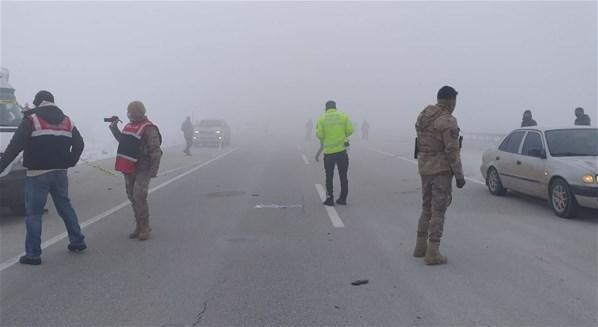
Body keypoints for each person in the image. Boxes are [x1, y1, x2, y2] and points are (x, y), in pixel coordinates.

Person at [0, 90, 86, 265]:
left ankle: (33, 254)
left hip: (37, 174)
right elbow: (79, 144)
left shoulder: (32, 119)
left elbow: (15, 145)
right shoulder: (67, 121)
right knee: (65, 207)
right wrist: (69, 161)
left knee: (34, 214)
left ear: (38, 102)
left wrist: (1, 166)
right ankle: (77, 241)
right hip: (60, 173)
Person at [413, 86, 465, 265]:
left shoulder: (423, 116)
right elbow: (452, 151)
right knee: (438, 210)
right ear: (450, 101)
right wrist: (459, 175)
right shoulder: (447, 121)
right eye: (455, 101)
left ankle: (420, 247)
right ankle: (432, 252)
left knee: (426, 207)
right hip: (441, 171)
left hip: (424, 168)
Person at [110, 101, 162, 241]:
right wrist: (114, 128)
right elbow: (123, 141)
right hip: (129, 168)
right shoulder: (129, 126)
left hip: (143, 168)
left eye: (132, 111)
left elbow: (155, 151)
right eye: (129, 111)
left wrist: (153, 169)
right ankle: (139, 226)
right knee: (132, 197)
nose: (130, 114)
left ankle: (145, 227)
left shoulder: (149, 128)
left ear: (139, 112)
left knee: (139, 196)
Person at [316, 100, 353, 206]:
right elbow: (350, 130)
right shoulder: (343, 116)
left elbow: (320, 135)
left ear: (326, 108)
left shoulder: (322, 119)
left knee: (329, 176)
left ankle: (330, 198)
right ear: (335, 107)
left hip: (329, 153)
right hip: (342, 151)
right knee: (343, 175)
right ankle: (343, 198)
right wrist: (342, 134)